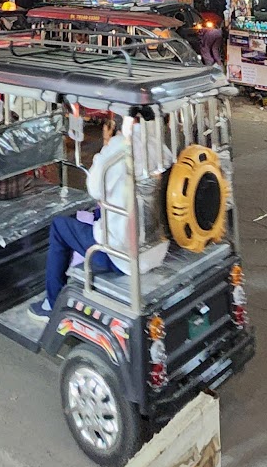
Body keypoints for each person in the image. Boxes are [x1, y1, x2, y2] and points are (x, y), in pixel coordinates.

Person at [31, 115, 171, 317]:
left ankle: (51, 304)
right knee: (98, 213)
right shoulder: (159, 146)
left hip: (120, 256)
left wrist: (107, 146)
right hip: (156, 248)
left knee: (60, 227)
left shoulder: (120, 148)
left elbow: (94, 188)